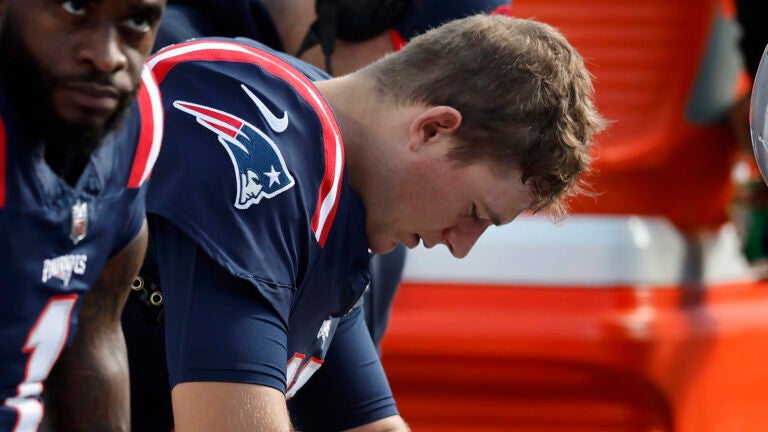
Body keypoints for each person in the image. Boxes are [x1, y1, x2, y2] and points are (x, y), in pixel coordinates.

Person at [134, 13, 604, 431]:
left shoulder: (340, 185)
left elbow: (365, 418)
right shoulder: (261, 141)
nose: (461, 247)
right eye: (475, 213)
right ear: (432, 129)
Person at [0, 0, 166, 430]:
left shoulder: (138, 117)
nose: (107, 55)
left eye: (137, 20)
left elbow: (95, 337)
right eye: (75, 6)